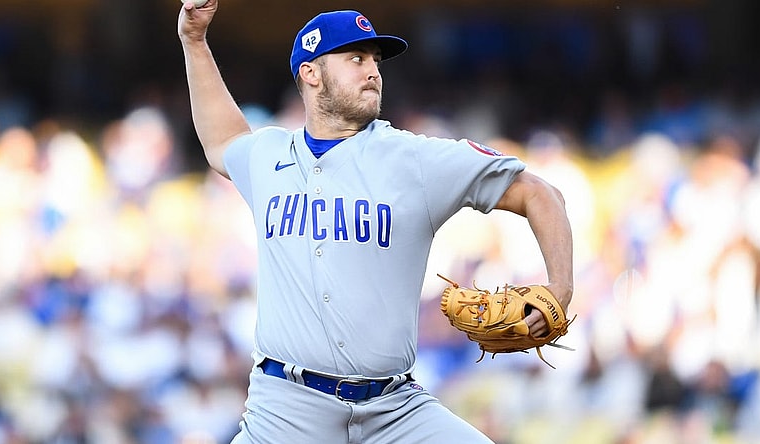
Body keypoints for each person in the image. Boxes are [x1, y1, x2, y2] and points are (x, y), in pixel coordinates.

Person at [178, 3, 574, 443]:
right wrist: (194, 41)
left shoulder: (416, 159)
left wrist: (561, 290)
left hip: (395, 411)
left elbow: (541, 194)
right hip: (286, 412)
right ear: (311, 73)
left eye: (375, 60)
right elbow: (223, 140)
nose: (372, 71)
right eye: (355, 58)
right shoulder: (269, 156)